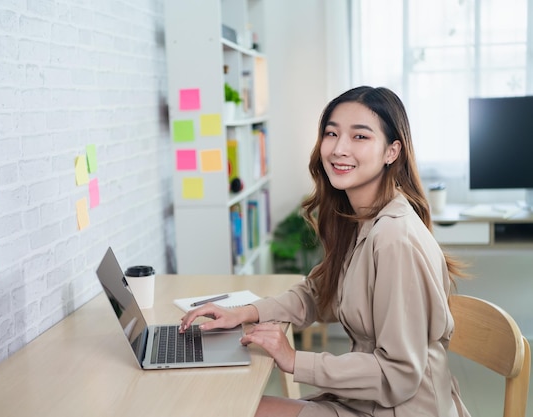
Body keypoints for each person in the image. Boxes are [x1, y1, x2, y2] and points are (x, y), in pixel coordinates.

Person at [179, 86, 470, 417]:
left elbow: (400, 374)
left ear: (392, 151)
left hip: (402, 409)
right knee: (229, 407)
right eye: (332, 133)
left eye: (360, 137)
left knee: (229, 410)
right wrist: (245, 312)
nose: (339, 148)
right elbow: (320, 293)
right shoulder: (361, 218)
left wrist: (294, 360)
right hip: (367, 400)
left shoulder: (394, 238)